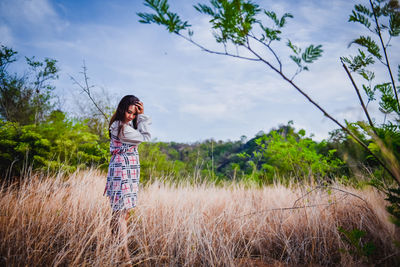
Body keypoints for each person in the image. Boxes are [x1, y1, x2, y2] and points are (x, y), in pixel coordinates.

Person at [103, 95, 151, 263]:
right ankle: (125, 257)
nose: (131, 116)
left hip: (129, 170)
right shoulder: (119, 127)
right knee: (120, 213)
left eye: (134, 113)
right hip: (121, 171)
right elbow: (145, 136)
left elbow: (139, 134)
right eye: (129, 112)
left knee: (123, 212)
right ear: (122, 109)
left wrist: (140, 116)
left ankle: (115, 249)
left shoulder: (127, 125)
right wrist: (143, 116)